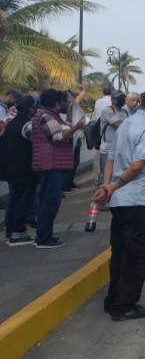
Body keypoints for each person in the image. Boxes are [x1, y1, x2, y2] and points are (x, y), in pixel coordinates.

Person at [91, 83, 145, 321]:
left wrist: (107, 185)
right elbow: (137, 166)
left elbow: (111, 158)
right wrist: (112, 186)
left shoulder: (127, 123)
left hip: (120, 200)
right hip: (138, 198)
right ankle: (124, 305)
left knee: (120, 252)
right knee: (137, 255)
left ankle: (113, 299)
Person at [31, 89, 89, 248]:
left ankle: (44, 235)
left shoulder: (47, 115)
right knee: (50, 201)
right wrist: (76, 127)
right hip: (51, 163)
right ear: (56, 102)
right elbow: (57, 137)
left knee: (46, 200)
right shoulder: (46, 116)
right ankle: (44, 237)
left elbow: (63, 129)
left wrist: (72, 121)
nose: (63, 105)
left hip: (49, 163)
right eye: (61, 102)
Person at [1, 96, 38, 246]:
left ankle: (11, 232)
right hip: (25, 170)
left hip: (12, 169)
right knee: (23, 200)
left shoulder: (11, 124)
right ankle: (17, 233)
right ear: (30, 109)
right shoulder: (28, 125)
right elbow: (38, 142)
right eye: (35, 107)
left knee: (15, 199)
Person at [97, 90, 128, 187]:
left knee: (116, 175)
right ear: (113, 99)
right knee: (104, 175)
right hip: (107, 148)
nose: (122, 99)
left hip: (120, 149)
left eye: (123, 97)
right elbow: (117, 124)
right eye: (119, 98)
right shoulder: (107, 111)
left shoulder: (125, 112)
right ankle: (101, 195)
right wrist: (129, 124)